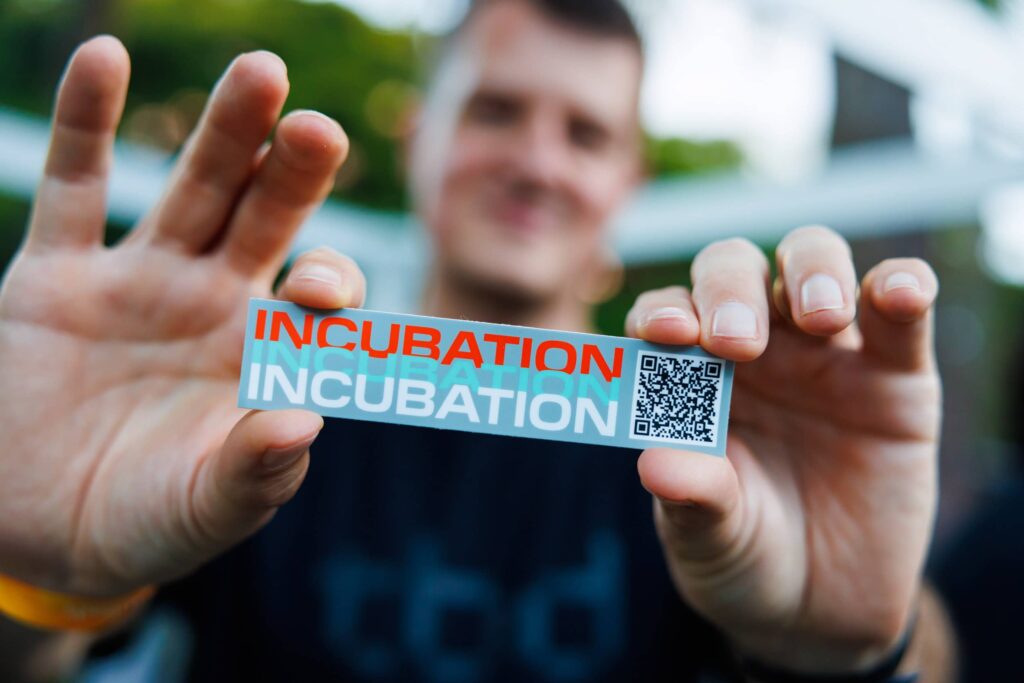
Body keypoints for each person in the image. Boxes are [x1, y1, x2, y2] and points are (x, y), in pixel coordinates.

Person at [0, 0, 956, 680]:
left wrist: (862, 653)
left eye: (583, 133)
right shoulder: (241, 401)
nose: (537, 162)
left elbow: (922, 651)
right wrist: (33, 577)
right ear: (418, 137)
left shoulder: (723, 439)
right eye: (496, 110)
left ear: (628, 180)